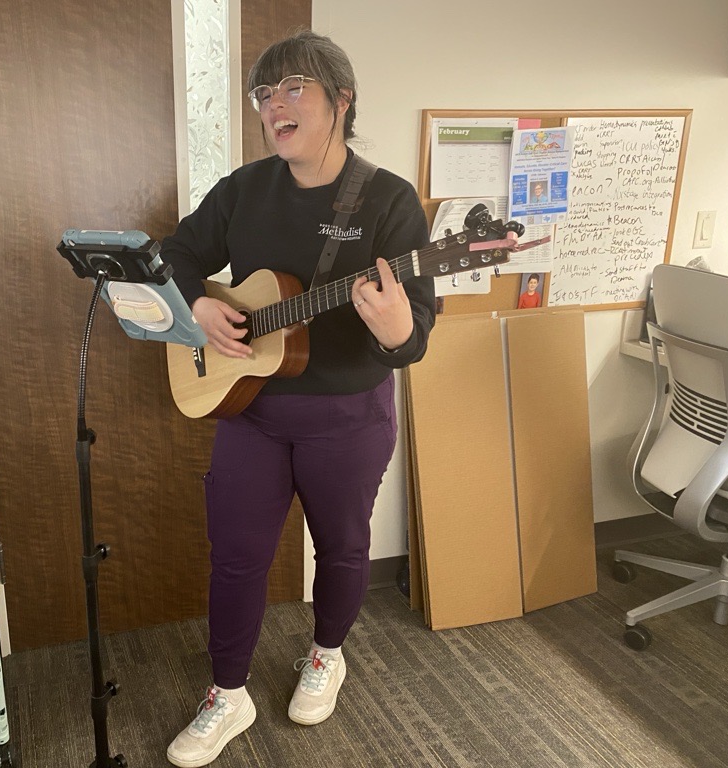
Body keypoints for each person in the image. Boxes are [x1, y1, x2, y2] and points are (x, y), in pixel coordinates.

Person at [160, 30, 436, 767]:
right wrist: (197, 304)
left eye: (293, 90)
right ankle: (228, 693)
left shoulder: (388, 201)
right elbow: (176, 254)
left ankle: (326, 654)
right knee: (237, 556)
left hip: (347, 416)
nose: (273, 106)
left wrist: (399, 325)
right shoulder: (245, 189)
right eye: (263, 93)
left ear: (340, 102)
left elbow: (415, 341)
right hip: (249, 410)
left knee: (342, 548)